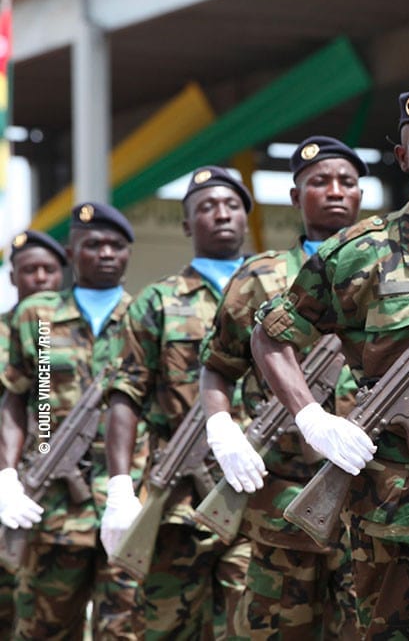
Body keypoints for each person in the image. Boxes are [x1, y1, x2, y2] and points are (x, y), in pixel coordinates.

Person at [253, 90, 409, 639]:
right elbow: (271, 337)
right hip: (390, 499)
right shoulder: (357, 253)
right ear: (401, 157)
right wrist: (311, 418)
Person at [198, 137, 364, 640]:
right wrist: (220, 425)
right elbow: (218, 365)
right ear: (295, 197)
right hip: (282, 498)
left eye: (347, 182)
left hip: (372, 496)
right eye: (319, 182)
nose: (334, 192)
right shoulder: (260, 276)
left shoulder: (388, 264)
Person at [101, 167, 254, 639]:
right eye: (205, 208)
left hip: (260, 491)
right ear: (187, 226)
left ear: (247, 217)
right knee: (167, 627)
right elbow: (125, 394)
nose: (221, 215)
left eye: (230, 205)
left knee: (249, 627)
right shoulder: (158, 301)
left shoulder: (277, 287)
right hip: (177, 500)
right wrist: (120, 486)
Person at [0, 202, 142, 639]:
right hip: (51, 509)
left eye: (115, 245)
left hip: (128, 503)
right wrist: (6, 474)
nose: (104, 253)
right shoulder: (36, 317)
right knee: (42, 628)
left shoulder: (145, 314)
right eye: (92, 244)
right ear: (70, 252)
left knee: (124, 629)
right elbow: (17, 399)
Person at [0, 229, 67, 639]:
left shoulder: (69, 335)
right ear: (12, 277)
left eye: (49, 269)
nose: (40, 278)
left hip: (42, 486)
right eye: (29, 270)